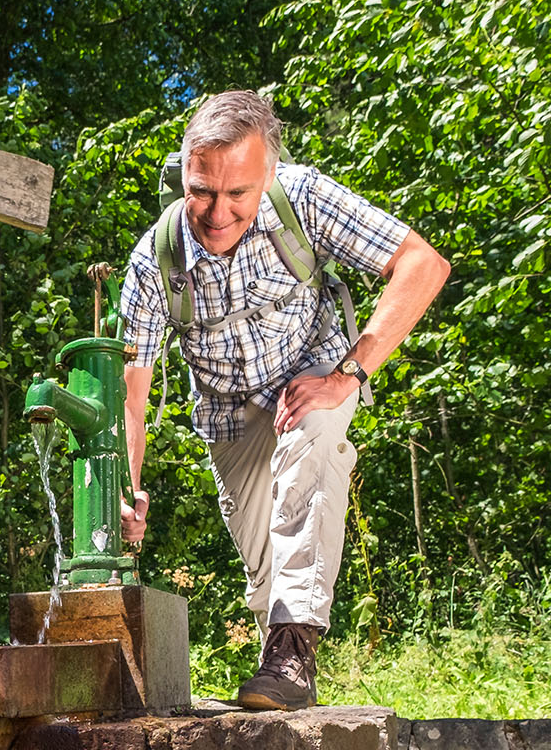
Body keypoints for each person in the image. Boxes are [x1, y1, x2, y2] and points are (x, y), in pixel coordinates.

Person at [117, 90, 450, 710]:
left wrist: (348, 374)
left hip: (312, 370)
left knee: (314, 437)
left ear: (267, 176)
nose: (217, 213)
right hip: (229, 412)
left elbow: (421, 264)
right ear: (183, 171)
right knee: (266, 557)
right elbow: (130, 397)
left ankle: (291, 654)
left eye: (237, 194)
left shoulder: (304, 198)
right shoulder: (154, 261)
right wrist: (129, 486)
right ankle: (282, 653)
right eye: (201, 191)